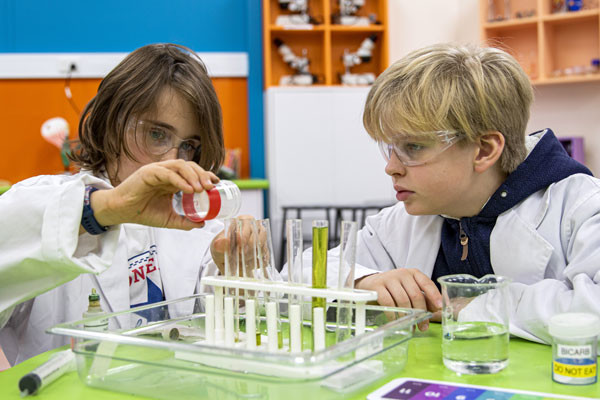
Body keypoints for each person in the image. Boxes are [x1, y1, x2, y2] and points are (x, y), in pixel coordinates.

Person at [287, 43, 600, 343]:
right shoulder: (405, 220)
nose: (391, 168)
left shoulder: (580, 206)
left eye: (413, 147)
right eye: (391, 148)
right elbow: (296, 275)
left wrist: (467, 307)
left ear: (484, 150)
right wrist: (362, 283)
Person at [0, 43, 229, 365]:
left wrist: (235, 274)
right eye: (156, 134)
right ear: (112, 123)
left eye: (188, 146)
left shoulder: (192, 224)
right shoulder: (43, 201)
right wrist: (108, 208)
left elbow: (216, 323)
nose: (172, 160)